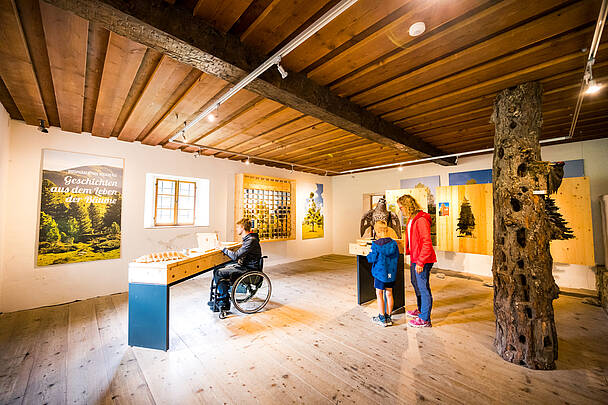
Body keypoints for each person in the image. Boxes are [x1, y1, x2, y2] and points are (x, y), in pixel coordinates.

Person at [397, 194, 437, 328]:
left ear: (407, 206)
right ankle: (421, 311)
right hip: (416, 257)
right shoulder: (411, 219)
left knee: (423, 287)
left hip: (423, 259)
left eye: (401, 207)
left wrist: (421, 262)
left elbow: (426, 242)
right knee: (415, 283)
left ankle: (425, 319)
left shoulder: (421, 220)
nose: (400, 210)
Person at [209, 218, 262, 311]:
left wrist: (223, 248)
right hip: (245, 265)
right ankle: (222, 296)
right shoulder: (249, 239)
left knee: (218, 273)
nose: (236, 230)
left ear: (242, 228)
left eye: (237, 227)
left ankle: (224, 302)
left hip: (248, 269)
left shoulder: (251, 240)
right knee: (218, 267)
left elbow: (235, 256)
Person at [366, 221, 399, 327]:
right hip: (391, 274)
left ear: (377, 232)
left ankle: (381, 317)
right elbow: (397, 256)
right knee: (389, 293)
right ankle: (388, 317)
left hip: (380, 274)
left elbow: (372, 258)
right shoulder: (394, 243)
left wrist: (368, 254)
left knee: (379, 294)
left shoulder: (376, 244)